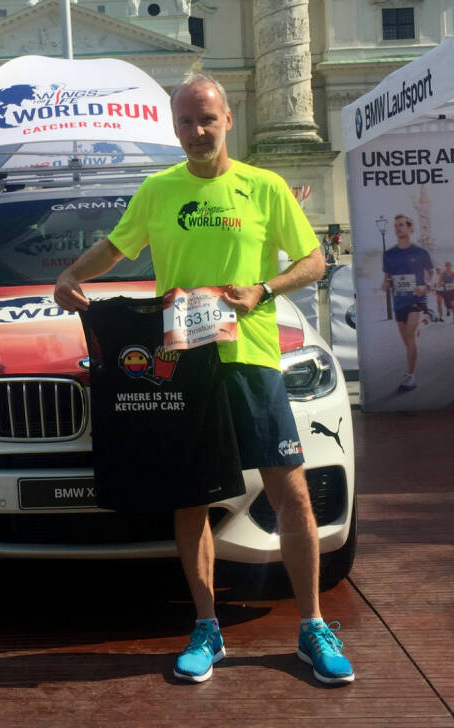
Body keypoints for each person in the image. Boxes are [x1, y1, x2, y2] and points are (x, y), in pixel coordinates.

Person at [53, 72, 353, 686]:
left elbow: (313, 260)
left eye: (207, 119)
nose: (197, 131)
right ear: (174, 126)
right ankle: (207, 626)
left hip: (250, 358)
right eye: (186, 121)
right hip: (183, 364)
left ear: (227, 120)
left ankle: (313, 625)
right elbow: (115, 247)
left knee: (291, 492)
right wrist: (69, 275)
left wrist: (264, 288)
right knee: (191, 500)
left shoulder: (264, 187)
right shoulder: (158, 190)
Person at [381, 214, 433, 392]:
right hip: (399, 301)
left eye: (402, 225)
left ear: (410, 228)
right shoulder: (389, 255)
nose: (398, 228)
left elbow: (431, 274)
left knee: (410, 335)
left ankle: (410, 376)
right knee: (407, 339)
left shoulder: (420, 253)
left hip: (416, 299)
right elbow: (387, 278)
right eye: (396, 225)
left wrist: (425, 286)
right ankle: (417, 330)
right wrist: (386, 284)